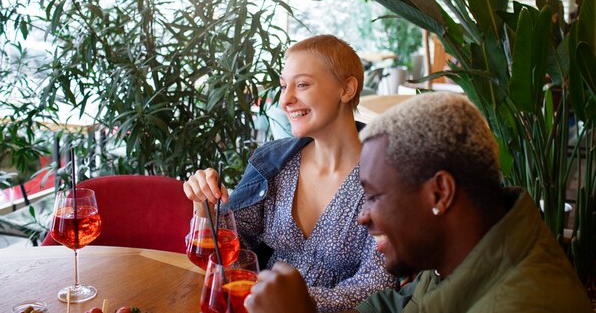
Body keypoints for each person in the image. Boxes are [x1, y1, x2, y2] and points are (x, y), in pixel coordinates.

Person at [244, 92, 593, 313]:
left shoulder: (526, 303)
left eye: (375, 196)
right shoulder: (453, 255)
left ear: (439, 193)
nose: (362, 217)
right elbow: (394, 306)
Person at [183, 34, 397, 312]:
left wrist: (295, 303)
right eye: (284, 86)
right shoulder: (274, 163)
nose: (286, 99)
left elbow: (377, 285)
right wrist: (205, 208)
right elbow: (234, 254)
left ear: (347, 89)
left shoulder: (388, 179)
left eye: (303, 84)